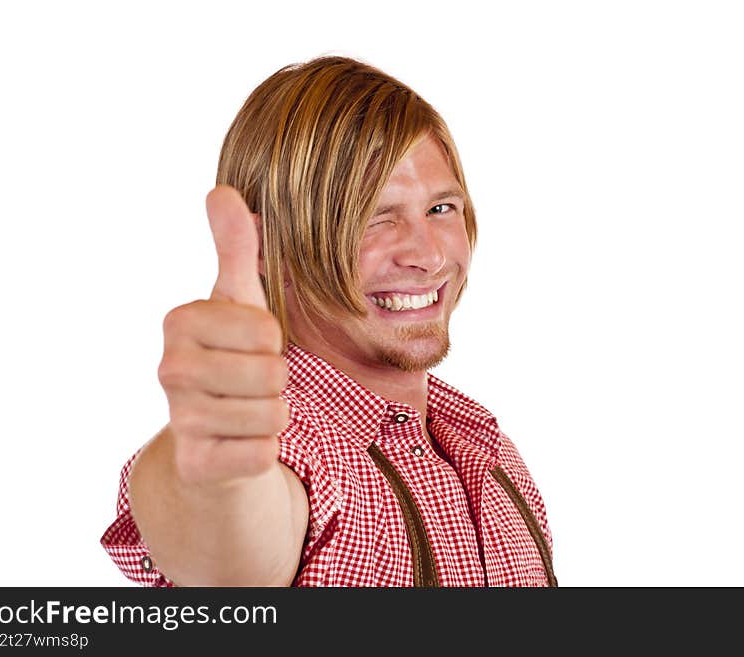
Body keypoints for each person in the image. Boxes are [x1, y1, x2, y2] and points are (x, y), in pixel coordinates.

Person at [101, 55, 557, 587]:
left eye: (441, 209)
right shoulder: (294, 445)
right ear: (267, 247)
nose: (429, 256)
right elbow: (230, 555)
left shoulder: (486, 450)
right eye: (372, 218)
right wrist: (215, 470)